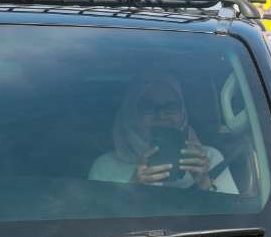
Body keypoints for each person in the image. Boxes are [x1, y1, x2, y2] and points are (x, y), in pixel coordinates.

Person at [90, 75, 237, 193]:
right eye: (148, 107)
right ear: (131, 113)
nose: (161, 115)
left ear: (183, 114)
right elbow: (97, 223)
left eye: (171, 106)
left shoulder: (210, 158)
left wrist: (204, 182)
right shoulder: (105, 166)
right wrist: (134, 186)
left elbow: (235, 222)